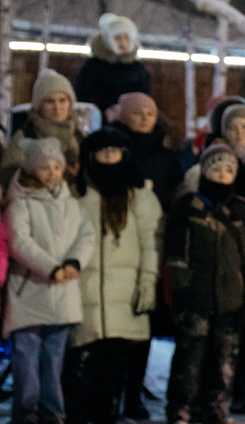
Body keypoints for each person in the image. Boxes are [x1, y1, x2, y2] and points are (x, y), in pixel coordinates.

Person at [64, 127, 161, 424]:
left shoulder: (139, 196)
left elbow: (151, 242)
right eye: (103, 151)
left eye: (114, 150)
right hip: (85, 291)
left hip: (125, 293)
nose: (109, 156)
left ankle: (108, 414)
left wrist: (147, 281)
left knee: (115, 367)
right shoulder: (77, 194)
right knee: (82, 364)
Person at [163, 143, 245, 424]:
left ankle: (216, 406)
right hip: (196, 295)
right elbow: (177, 255)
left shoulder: (242, 211)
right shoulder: (189, 207)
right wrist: (180, 291)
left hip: (231, 297)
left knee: (224, 359)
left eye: (227, 169)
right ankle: (182, 407)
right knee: (190, 357)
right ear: (204, 171)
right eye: (215, 168)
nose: (221, 174)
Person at [4, 137, 96, 424]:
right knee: (27, 358)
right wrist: (50, 268)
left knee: (54, 358)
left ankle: (53, 411)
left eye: (57, 166)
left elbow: (86, 236)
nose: (52, 172)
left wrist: (73, 262)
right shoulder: (20, 203)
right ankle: (26, 412)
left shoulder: (73, 206)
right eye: (45, 166)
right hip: (29, 291)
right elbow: (20, 242)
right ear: (32, 169)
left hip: (62, 293)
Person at [1, 69, 85, 197]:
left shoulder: (79, 137)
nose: (57, 107)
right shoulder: (24, 137)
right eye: (50, 101)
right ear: (39, 105)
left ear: (70, 103)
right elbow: (7, 176)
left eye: (62, 100)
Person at [181, 103, 245, 197]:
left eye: (244, 127)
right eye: (232, 128)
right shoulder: (214, 159)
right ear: (224, 132)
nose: (239, 133)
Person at [74, 14, 151, 120]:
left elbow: (143, 96)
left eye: (126, 38)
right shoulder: (93, 66)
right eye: (118, 38)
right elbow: (85, 95)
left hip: (131, 120)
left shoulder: (137, 68)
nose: (122, 43)